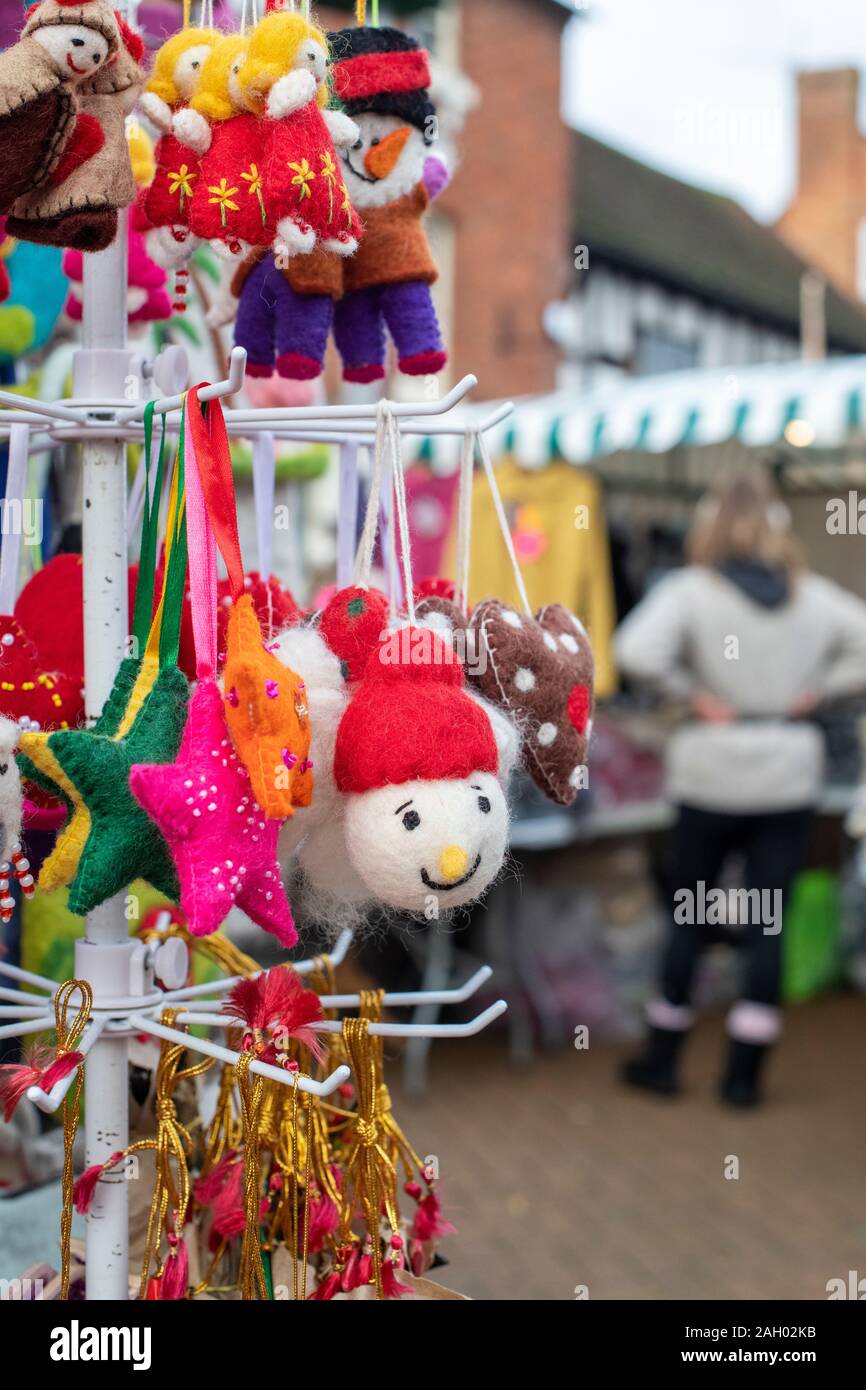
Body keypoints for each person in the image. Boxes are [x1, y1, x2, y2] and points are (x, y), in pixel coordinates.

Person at [614, 468, 866, 1106]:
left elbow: (633, 649)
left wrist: (692, 696)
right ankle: (744, 1079)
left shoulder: (691, 591)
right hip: (788, 770)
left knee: (690, 918)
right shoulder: (814, 597)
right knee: (767, 923)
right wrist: (821, 690)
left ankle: (664, 1061)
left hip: (711, 774)